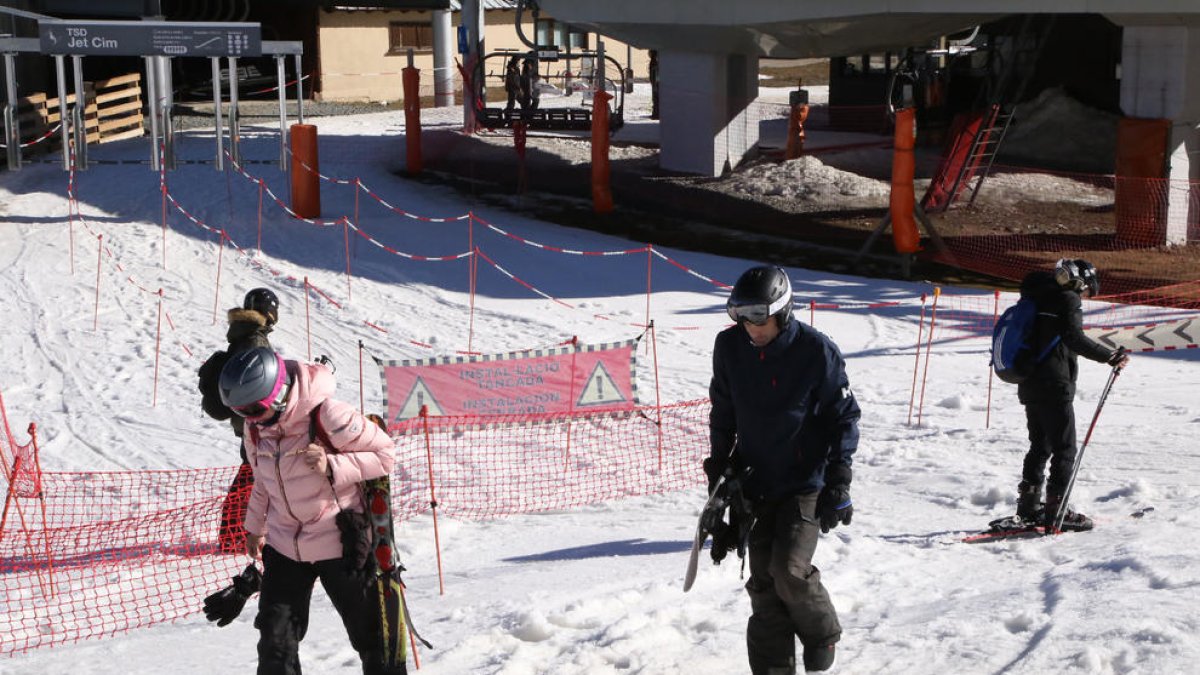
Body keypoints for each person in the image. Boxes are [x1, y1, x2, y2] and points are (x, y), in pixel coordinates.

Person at [705, 265, 860, 674]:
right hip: (755, 482)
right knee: (762, 584)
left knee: (788, 570)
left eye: (759, 317)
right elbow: (723, 412)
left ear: (783, 311)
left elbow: (843, 417)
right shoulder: (729, 347)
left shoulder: (815, 351)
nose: (750, 327)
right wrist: (718, 474)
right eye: (741, 316)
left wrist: (839, 479)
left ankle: (822, 632)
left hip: (805, 481)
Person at [218, 346, 402, 675]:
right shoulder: (255, 427)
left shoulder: (328, 414)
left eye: (253, 409)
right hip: (285, 545)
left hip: (340, 542)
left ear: (276, 395)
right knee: (275, 642)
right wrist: (254, 526)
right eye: (240, 410)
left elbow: (385, 455)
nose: (249, 418)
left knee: (373, 638)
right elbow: (262, 478)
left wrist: (332, 465)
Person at [1014, 259, 1129, 530]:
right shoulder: (1067, 299)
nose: (1084, 296)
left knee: (1040, 445)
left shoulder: (1036, 296)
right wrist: (1109, 356)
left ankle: (1029, 507)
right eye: (1086, 290)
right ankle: (1057, 510)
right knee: (1065, 448)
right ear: (1080, 282)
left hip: (1028, 380)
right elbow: (1073, 337)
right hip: (1055, 383)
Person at [198, 287, 280, 553]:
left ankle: (235, 534)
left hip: (247, 416)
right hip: (254, 418)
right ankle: (234, 536)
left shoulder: (245, 334)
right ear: (269, 312)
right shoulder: (254, 339)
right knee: (253, 477)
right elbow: (257, 379)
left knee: (252, 475)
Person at [503, 55, 522, 121]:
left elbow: (518, 78)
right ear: (516, 61)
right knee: (511, 103)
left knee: (521, 101)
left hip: (516, 88)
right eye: (518, 61)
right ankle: (507, 116)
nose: (519, 62)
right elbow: (512, 79)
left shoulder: (516, 68)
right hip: (513, 88)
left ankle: (524, 114)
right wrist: (516, 86)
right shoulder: (511, 68)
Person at [648, 50, 660, 120]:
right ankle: (656, 114)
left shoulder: (655, 61)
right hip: (656, 82)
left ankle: (656, 114)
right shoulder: (654, 61)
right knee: (656, 98)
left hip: (656, 83)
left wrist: (655, 83)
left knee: (656, 98)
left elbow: (655, 73)